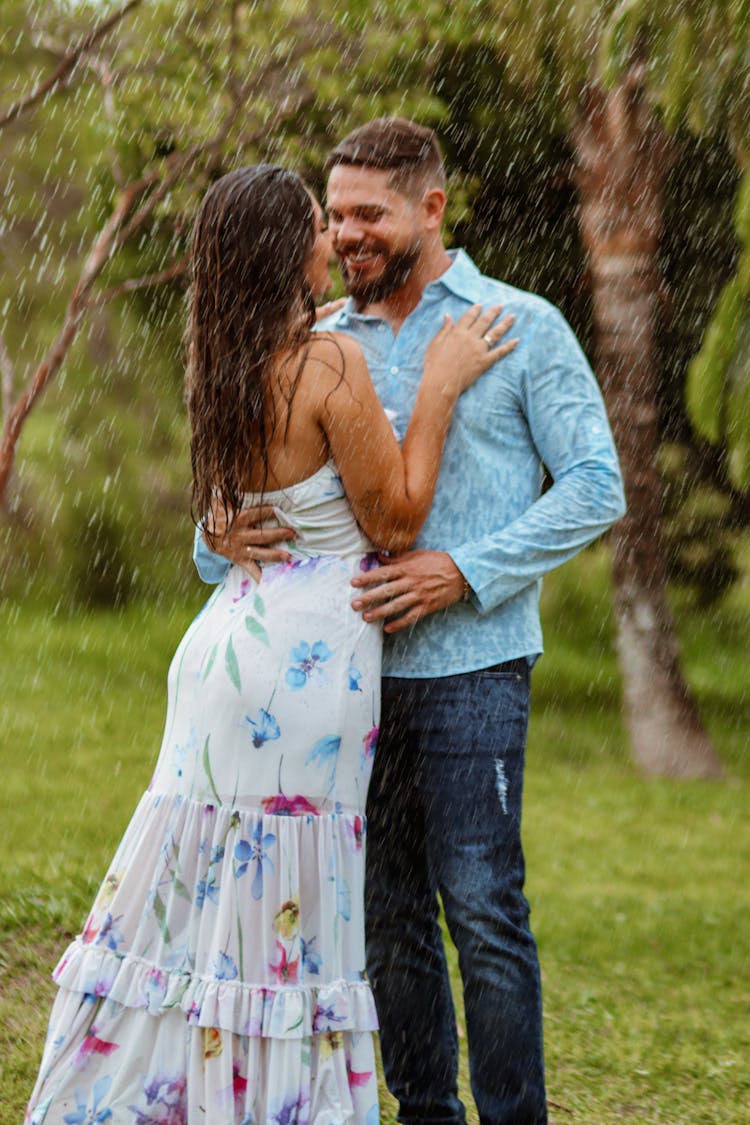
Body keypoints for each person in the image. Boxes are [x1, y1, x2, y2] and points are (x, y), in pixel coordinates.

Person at [26, 164, 516, 1125]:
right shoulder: (328, 367)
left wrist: (214, 537)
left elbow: (230, 517)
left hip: (220, 656)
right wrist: (444, 385)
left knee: (197, 890)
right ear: (288, 249)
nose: (331, 240)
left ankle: (149, 1096)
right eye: (316, 226)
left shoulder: (224, 365)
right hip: (306, 673)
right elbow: (397, 518)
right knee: (286, 900)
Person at [194, 119, 627, 1125]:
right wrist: (217, 535)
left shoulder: (516, 324)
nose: (346, 234)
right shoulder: (313, 346)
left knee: (482, 910)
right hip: (341, 687)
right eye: (334, 215)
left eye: (368, 215)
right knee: (383, 918)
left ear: (431, 208)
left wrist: (463, 571)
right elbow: (237, 518)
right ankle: (423, 1110)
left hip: (475, 669)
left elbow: (597, 486)